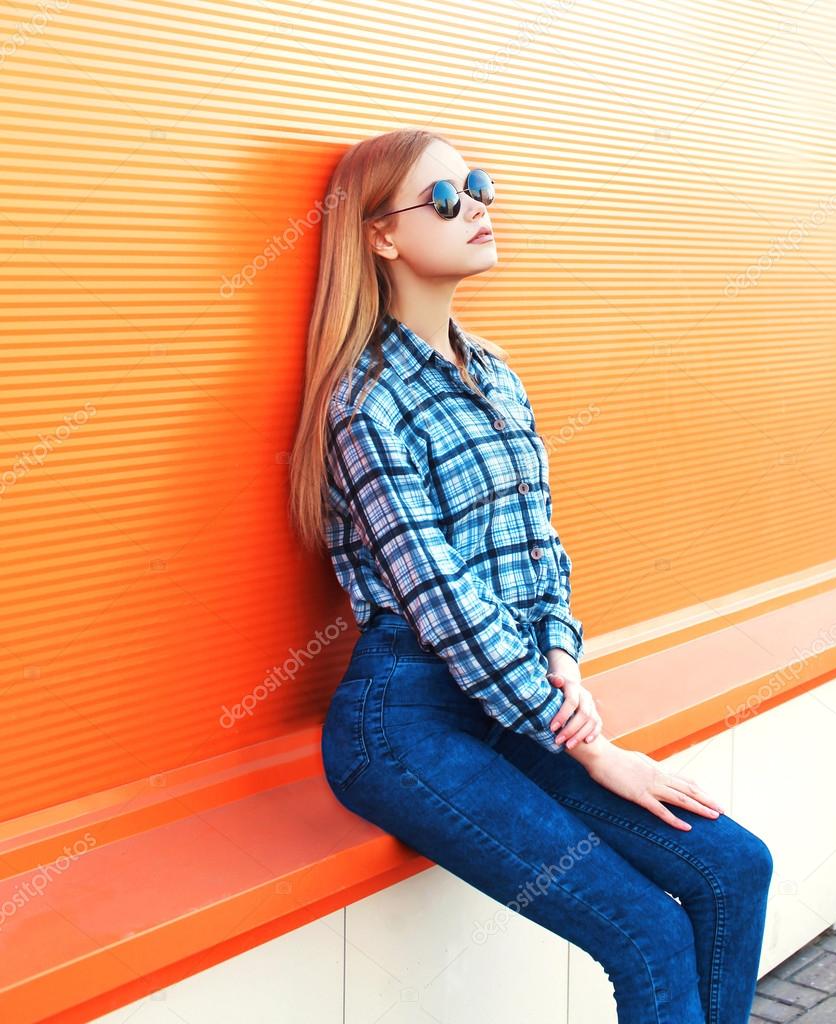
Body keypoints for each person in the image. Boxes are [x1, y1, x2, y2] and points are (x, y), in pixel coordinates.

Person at [289, 127, 773, 1023]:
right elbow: (437, 595)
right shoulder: (363, 402)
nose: (473, 204)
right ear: (380, 236)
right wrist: (589, 746)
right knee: (646, 933)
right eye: (442, 198)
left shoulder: (497, 374)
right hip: (406, 722)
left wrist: (561, 656)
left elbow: (538, 547)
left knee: (733, 869)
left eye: (475, 184)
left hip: (515, 693)